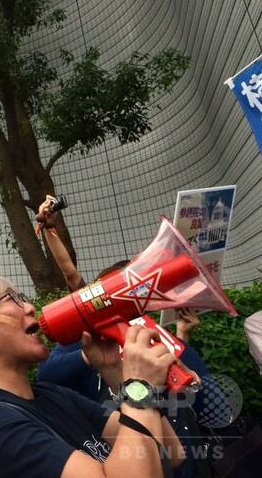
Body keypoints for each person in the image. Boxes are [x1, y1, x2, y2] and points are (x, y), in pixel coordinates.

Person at [34, 195, 214, 478]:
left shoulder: (151, 331)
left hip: (180, 454)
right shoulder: (87, 330)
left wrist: (181, 340)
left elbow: (195, 390)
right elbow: (70, 274)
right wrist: (91, 355)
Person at [0, 274, 184, 477]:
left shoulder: (55, 396)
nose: (31, 307)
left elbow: (170, 454)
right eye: (11, 299)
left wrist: (113, 370)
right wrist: (139, 385)